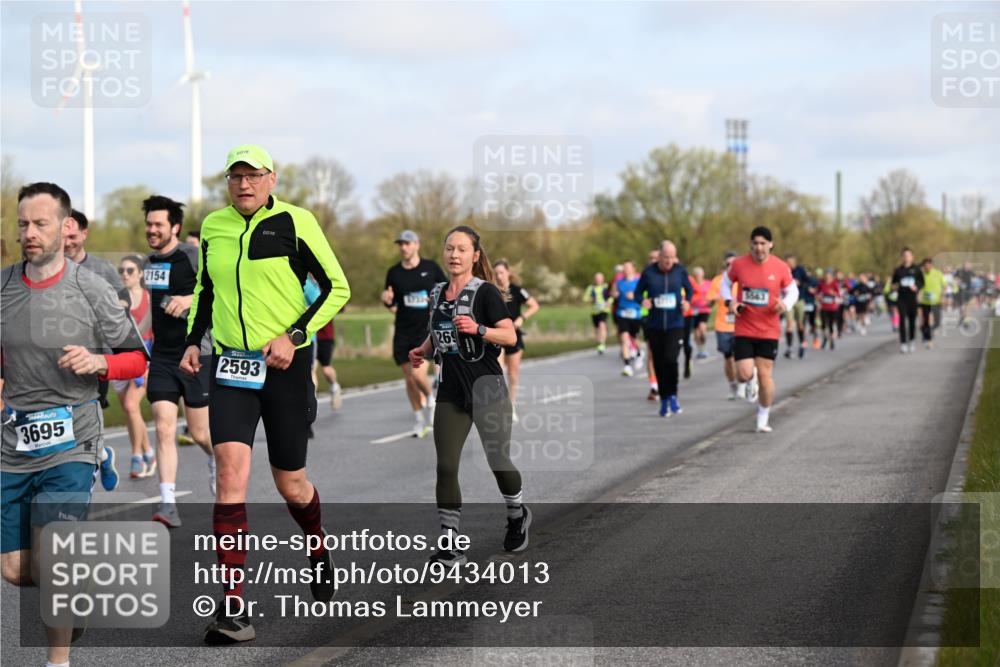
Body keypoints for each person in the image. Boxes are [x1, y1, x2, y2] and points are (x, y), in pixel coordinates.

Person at [181, 145, 350, 644]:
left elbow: (336, 288)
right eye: (235, 176)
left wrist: (295, 337)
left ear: (271, 178)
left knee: (290, 484)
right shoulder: (213, 226)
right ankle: (234, 605)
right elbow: (207, 292)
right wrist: (194, 341)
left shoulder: (297, 222)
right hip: (232, 366)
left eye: (253, 175)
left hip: (284, 366)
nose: (244, 184)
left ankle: (318, 547)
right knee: (229, 477)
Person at [2, 182, 149, 667]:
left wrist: (98, 362)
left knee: (55, 559)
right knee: (18, 570)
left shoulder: (91, 289)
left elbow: (135, 358)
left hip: (73, 437)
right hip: (14, 443)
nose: (29, 233)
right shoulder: (3, 289)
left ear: (66, 228)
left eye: (40, 224)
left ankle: (57, 661)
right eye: (23, 224)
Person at [408, 225, 528, 566]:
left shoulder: (486, 292)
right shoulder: (436, 294)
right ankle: (450, 543)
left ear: (475, 256)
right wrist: (422, 350)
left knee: (498, 462)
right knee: (446, 465)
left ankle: (517, 513)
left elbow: (508, 336)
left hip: (487, 386)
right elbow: (438, 331)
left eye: (461, 249)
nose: (454, 255)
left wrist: (479, 329)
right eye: (449, 248)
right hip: (450, 390)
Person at [141, 195, 216, 526]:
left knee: (200, 434)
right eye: (148, 224)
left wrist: (189, 300)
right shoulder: (149, 263)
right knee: (163, 426)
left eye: (158, 224)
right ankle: (168, 503)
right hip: (162, 358)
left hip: (196, 353)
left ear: (174, 226)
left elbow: (222, 293)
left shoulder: (193, 256)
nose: (152, 229)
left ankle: (218, 459)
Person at [721, 226, 798, 433]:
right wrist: (730, 301)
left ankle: (763, 416)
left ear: (770, 245)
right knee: (743, 375)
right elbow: (725, 283)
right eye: (755, 243)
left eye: (763, 243)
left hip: (768, 330)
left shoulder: (780, 267)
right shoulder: (739, 264)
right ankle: (750, 379)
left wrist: (785, 304)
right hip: (745, 326)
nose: (759, 247)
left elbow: (793, 291)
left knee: (766, 376)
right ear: (750, 245)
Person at [382, 230, 448, 438]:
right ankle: (420, 421)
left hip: (425, 331)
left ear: (417, 245)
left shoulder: (431, 268)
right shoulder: (393, 273)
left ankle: (430, 398)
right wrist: (386, 300)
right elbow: (391, 301)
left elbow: (447, 292)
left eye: (408, 243)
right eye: (401, 244)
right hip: (402, 331)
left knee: (417, 373)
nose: (403, 247)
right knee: (409, 378)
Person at [632, 241, 693, 417]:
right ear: (659, 256)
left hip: (675, 324)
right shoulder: (649, 272)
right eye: (666, 257)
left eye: (672, 257)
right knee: (658, 362)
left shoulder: (680, 270)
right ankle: (664, 399)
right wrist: (642, 301)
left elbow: (688, 290)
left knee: (671, 359)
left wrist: (687, 302)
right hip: (655, 325)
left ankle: (673, 396)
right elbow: (637, 293)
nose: (669, 261)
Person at [114, 255, 156, 478]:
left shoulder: (151, 299)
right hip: (121, 359)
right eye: (122, 270)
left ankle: (136, 457)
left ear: (140, 273)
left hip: (144, 359)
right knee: (132, 412)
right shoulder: (117, 298)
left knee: (131, 405)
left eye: (130, 270)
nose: (125, 275)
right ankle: (149, 452)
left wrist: (153, 364)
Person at [493, 260, 539, 424]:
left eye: (501, 272)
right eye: (496, 273)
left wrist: (521, 318)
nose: (499, 276)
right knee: (497, 371)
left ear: (508, 273)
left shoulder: (517, 290)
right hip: (497, 336)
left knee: (513, 373)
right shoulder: (491, 291)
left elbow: (534, 305)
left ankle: (511, 406)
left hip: (514, 335)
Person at [707, 252, 742, 399]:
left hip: (740, 325)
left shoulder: (742, 280)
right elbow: (710, 297)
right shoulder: (719, 280)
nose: (731, 267)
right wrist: (722, 296)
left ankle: (743, 383)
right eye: (728, 264)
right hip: (723, 325)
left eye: (734, 264)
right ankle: (732, 384)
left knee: (740, 357)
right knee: (728, 358)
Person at [65, 209, 123, 291]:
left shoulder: (105, 268)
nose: (67, 243)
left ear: (84, 234)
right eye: (63, 237)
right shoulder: (48, 269)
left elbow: (123, 297)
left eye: (72, 237)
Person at [612, 261, 643, 377]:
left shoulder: (639, 282)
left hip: (635, 313)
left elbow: (644, 296)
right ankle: (627, 366)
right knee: (624, 339)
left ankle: (639, 353)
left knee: (635, 338)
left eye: (628, 267)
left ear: (633, 269)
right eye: (624, 268)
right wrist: (614, 294)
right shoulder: (619, 282)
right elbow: (613, 293)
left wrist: (635, 296)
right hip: (622, 313)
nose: (625, 270)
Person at [891, 247, 924, 354]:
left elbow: (922, 282)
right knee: (902, 321)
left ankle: (912, 341)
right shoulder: (898, 270)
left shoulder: (917, 269)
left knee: (912, 321)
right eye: (904, 255)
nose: (906, 257)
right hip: (901, 298)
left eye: (908, 255)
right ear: (902, 257)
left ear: (912, 257)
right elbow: (893, 283)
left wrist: (917, 287)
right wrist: (895, 286)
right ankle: (903, 343)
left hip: (912, 298)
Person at [783, 255, 809, 359]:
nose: (789, 264)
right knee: (789, 324)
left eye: (791, 262)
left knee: (800, 324)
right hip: (788, 301)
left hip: (799, 300)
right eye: (787, 262)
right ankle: (789, 348)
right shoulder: (783, 270)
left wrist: (800, 283)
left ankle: (802, 344)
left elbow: (808, 281)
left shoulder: (800, 270)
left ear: (794, 262)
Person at [919, 257, 945, 349]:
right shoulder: (921, 275)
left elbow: (944, 286)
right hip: (925, 302)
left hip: (936, 301)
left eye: (928, 265)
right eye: (925, 266)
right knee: (927, 321)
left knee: (937, 322)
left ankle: (928, 332)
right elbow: (919, 288)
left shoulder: (938, 273)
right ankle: (929, 340)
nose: (927, 267)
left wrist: (942, 297)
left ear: (932, 265)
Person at [583, 272, 611, 354]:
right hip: (595, 311)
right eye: (597, 279)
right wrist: (590, 300)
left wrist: (608, 302)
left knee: (602, 325)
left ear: (603, 279)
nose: (598, 280)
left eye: (600, 278)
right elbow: (585, 298)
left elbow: (611, 296)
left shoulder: (606, 287)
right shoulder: (591, 288)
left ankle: (602, 343)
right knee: (597, 328)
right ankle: (599, 343)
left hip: (604, 310)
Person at [689, 267, 712, 360]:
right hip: (694, 310)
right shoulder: (691, 284)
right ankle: (700, 350)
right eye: (696, 275)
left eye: (699, 274)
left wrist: (709, 301)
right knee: (696, 333)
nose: (698, 276)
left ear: (703, 274)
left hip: (704, 310)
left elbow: (712, 295)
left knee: (702, 328)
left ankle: (703, 345)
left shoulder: (708, 284)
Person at [818, 270, 841, 349]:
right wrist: (819, 296)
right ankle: (825, 338)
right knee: (823, 325)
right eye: (826, 276)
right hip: (824, 307)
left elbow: (838, 294)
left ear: (831, 276)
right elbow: (817, 293)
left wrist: (833, 293)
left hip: (832, 307)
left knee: (831, 325)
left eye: (828, 276)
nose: (827, 278)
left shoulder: (834, 283)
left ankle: (831, 340)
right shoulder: (822, 283)